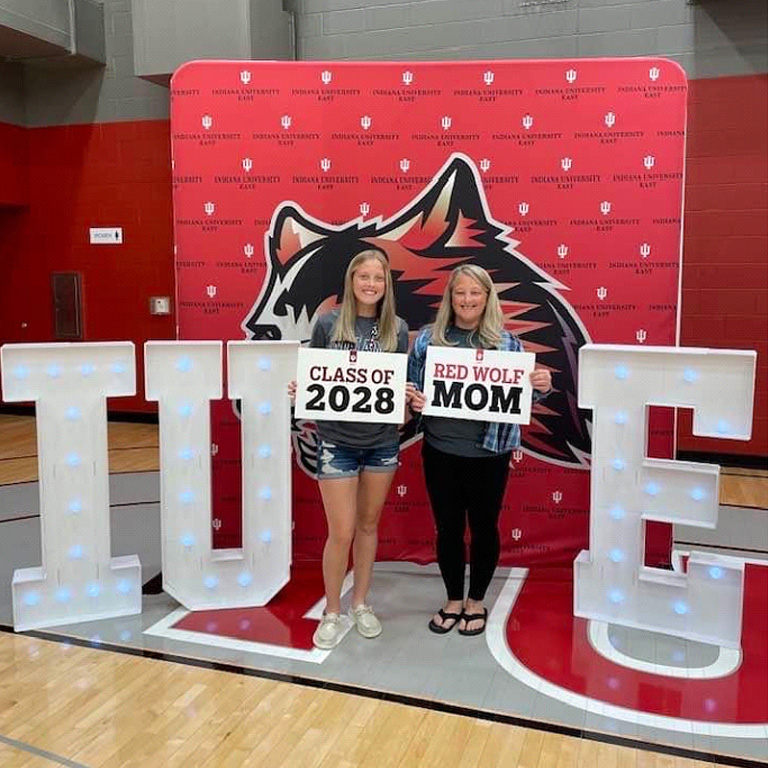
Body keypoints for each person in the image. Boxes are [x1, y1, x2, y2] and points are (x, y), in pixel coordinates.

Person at [407, 264, 552, 636]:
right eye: (460, 292)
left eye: (475, 292)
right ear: (450, 298)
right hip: (440, 450)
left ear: (487, 298)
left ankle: (476, 600)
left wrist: (542, 384)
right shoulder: (427, 340)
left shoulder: (507, 344)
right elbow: (409, 389)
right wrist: (413, 397)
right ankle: (454, 598)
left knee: (484, 527)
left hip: (490, 455)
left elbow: (523, 394)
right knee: (449, 528)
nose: (468, 299)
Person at [289, 248, 410, 649]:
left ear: (386, 284)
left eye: (378, 278)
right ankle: (332, 611)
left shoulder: (398, 329)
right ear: (352, 281)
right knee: (340, 531)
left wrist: (405, 399)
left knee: (368, 526)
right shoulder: (328, 323)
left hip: (381, 443)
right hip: (337, 440)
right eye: (364, 277)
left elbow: (398, 392)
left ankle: (360, 603)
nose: (371, 284)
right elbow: (317, 379)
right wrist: (302, 388)